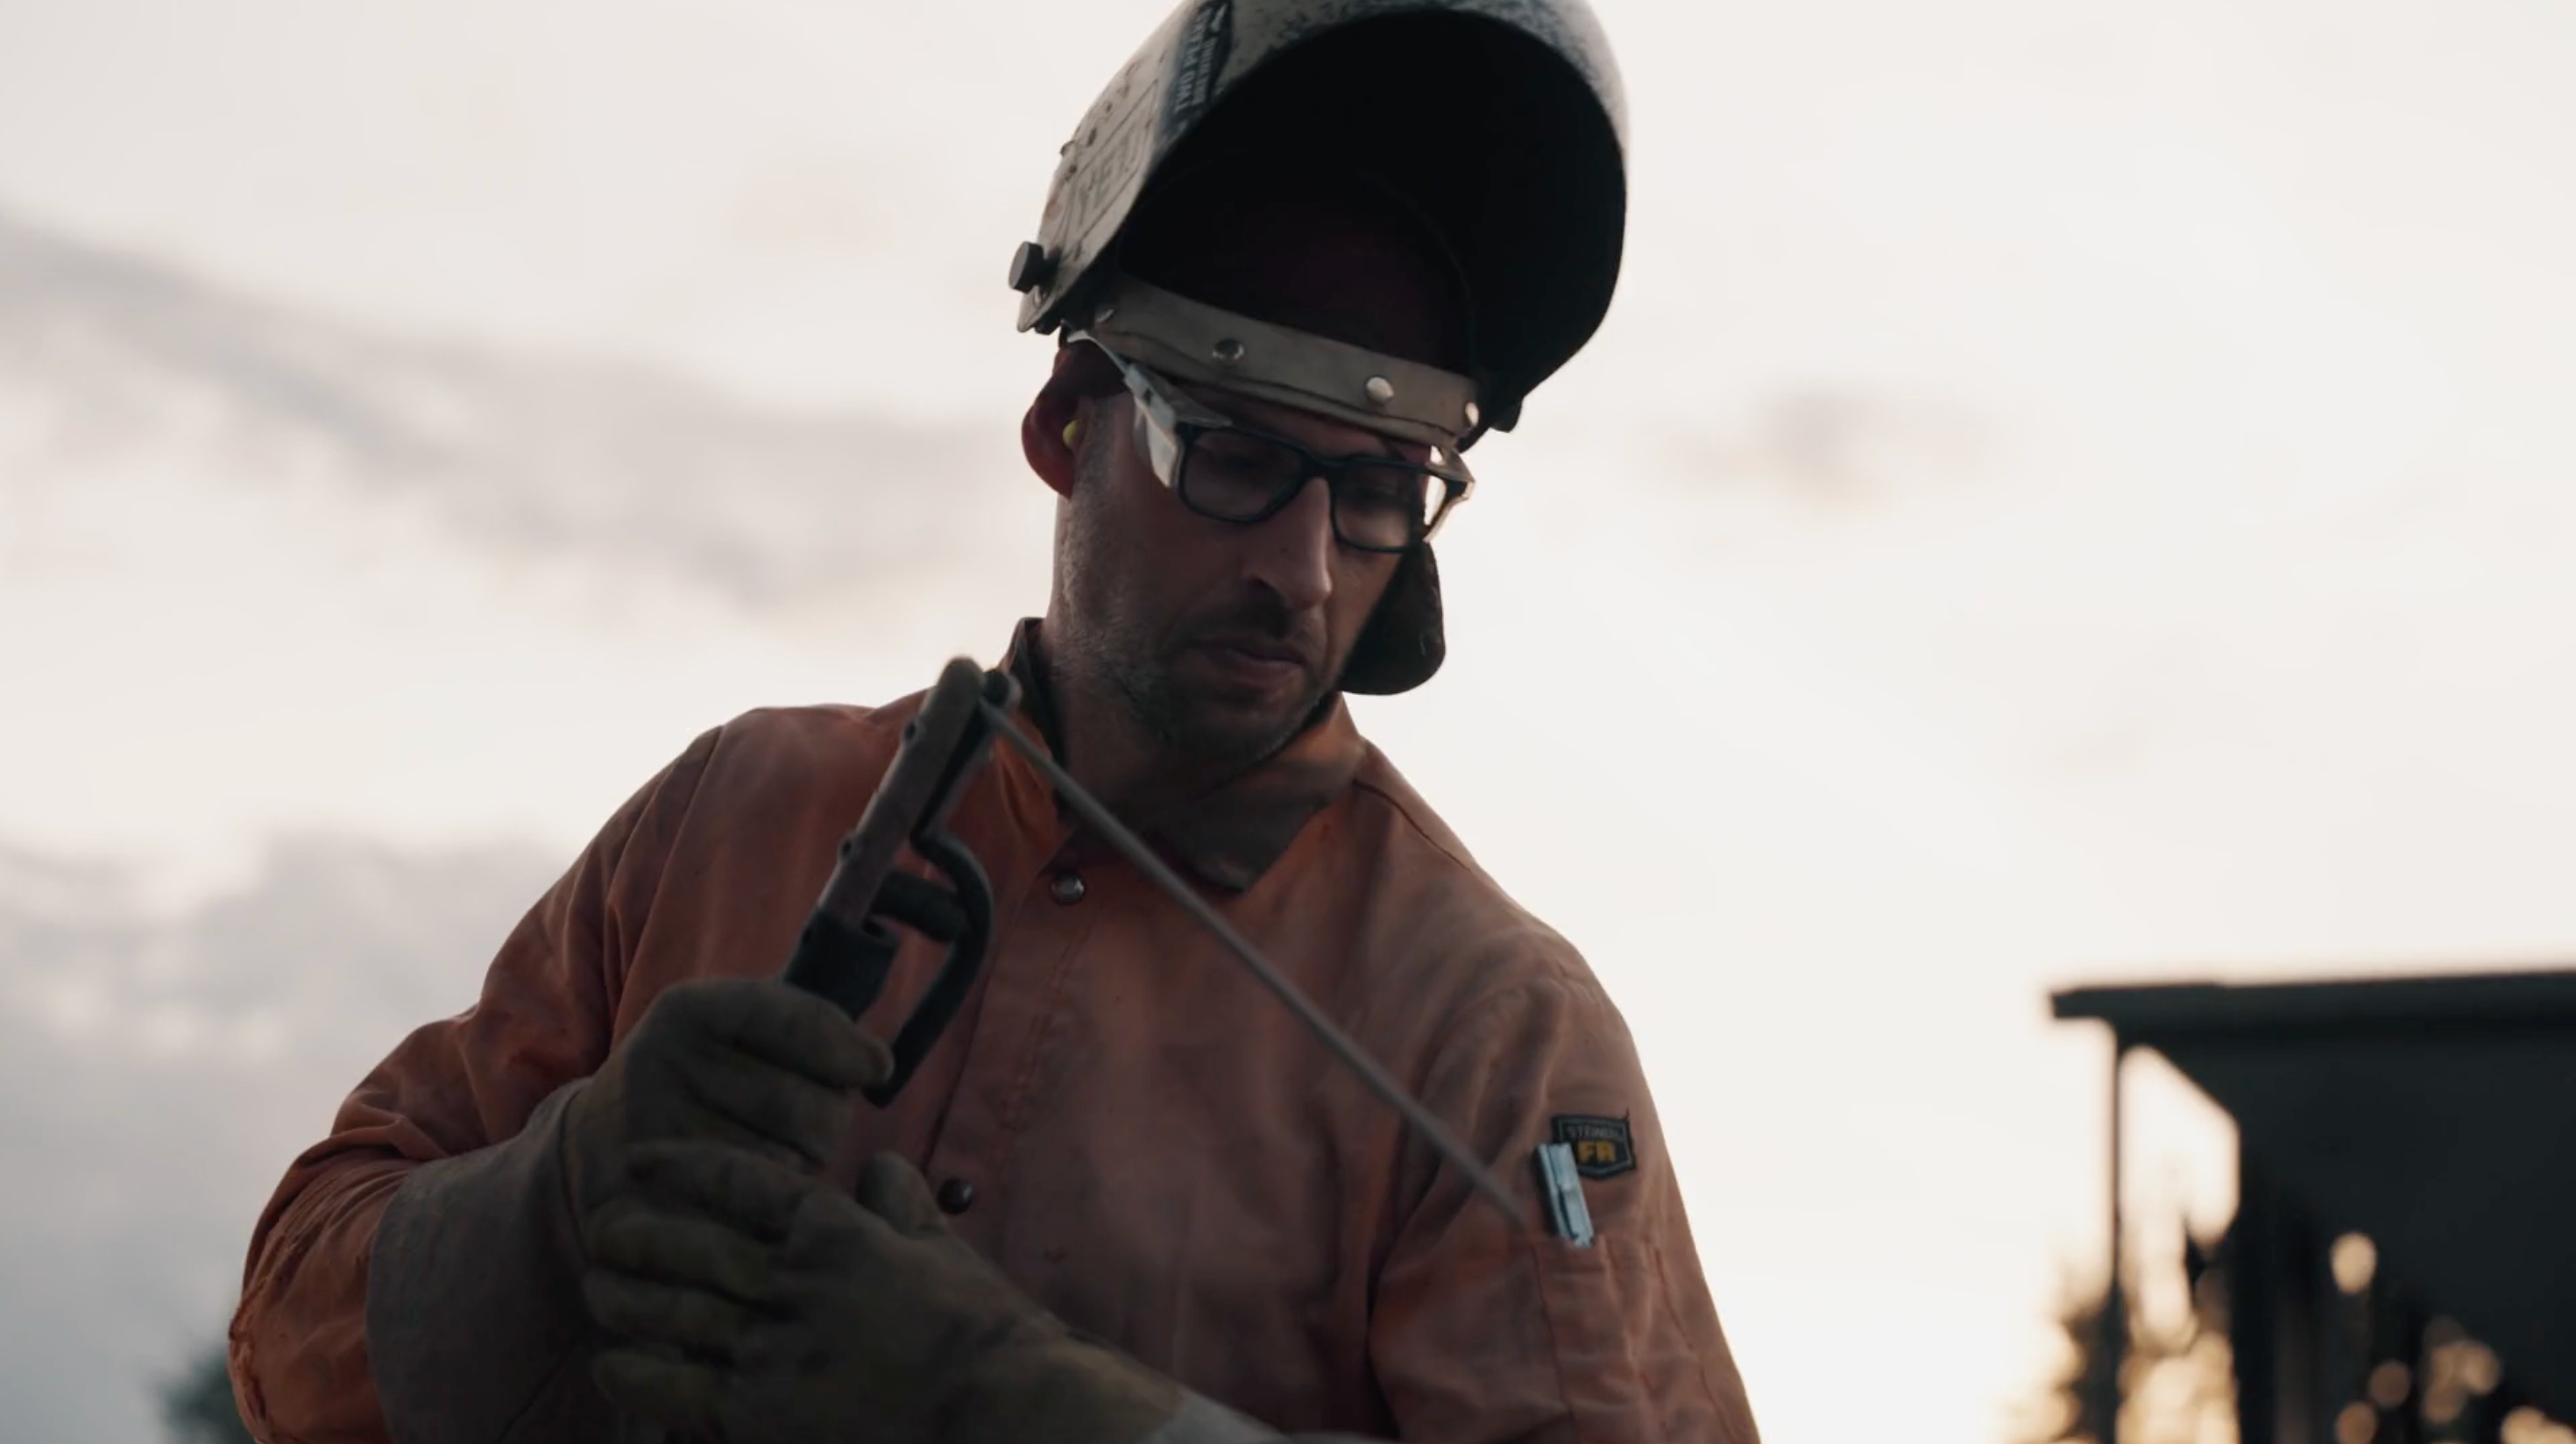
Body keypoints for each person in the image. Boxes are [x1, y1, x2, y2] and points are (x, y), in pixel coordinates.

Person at [229, 3, 1763, 1440]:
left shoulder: (1494, 1028)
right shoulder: (737, 814)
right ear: (1067, 423)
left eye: (1374, 493)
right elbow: (285, 1348)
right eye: (1228, 454)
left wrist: (1015, 1404)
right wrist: (554, 1204)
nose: (1301, 575)